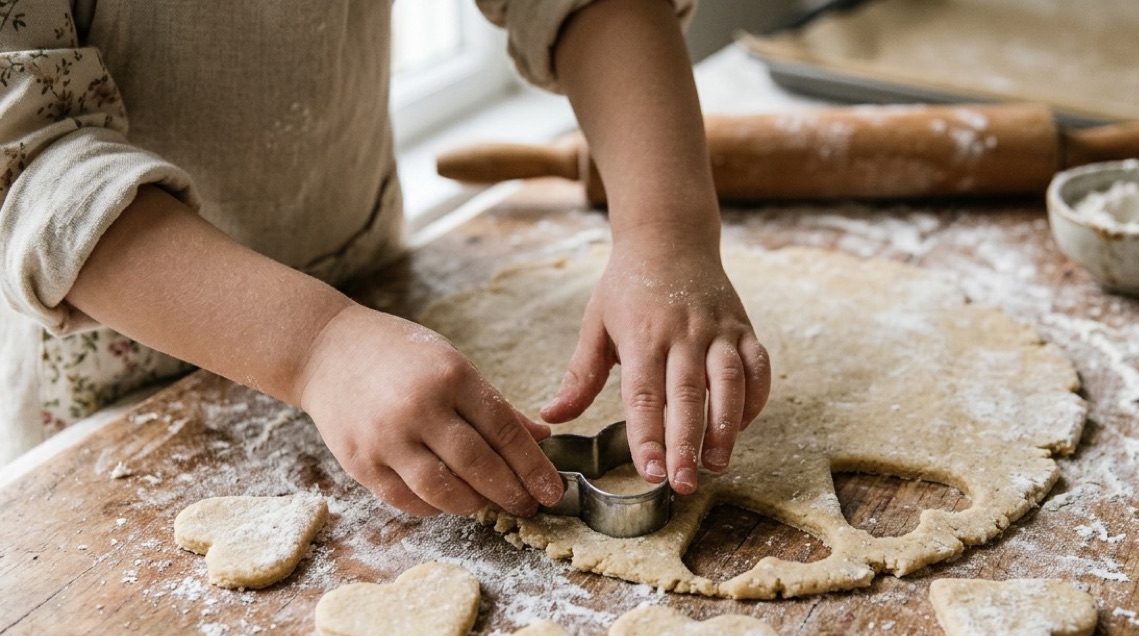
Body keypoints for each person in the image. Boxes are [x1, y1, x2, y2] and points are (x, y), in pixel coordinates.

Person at [0, 0, 771, 519]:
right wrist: (316, 346)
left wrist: (665, 230)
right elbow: (25, 159)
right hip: (129, 371)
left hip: (372, 301)